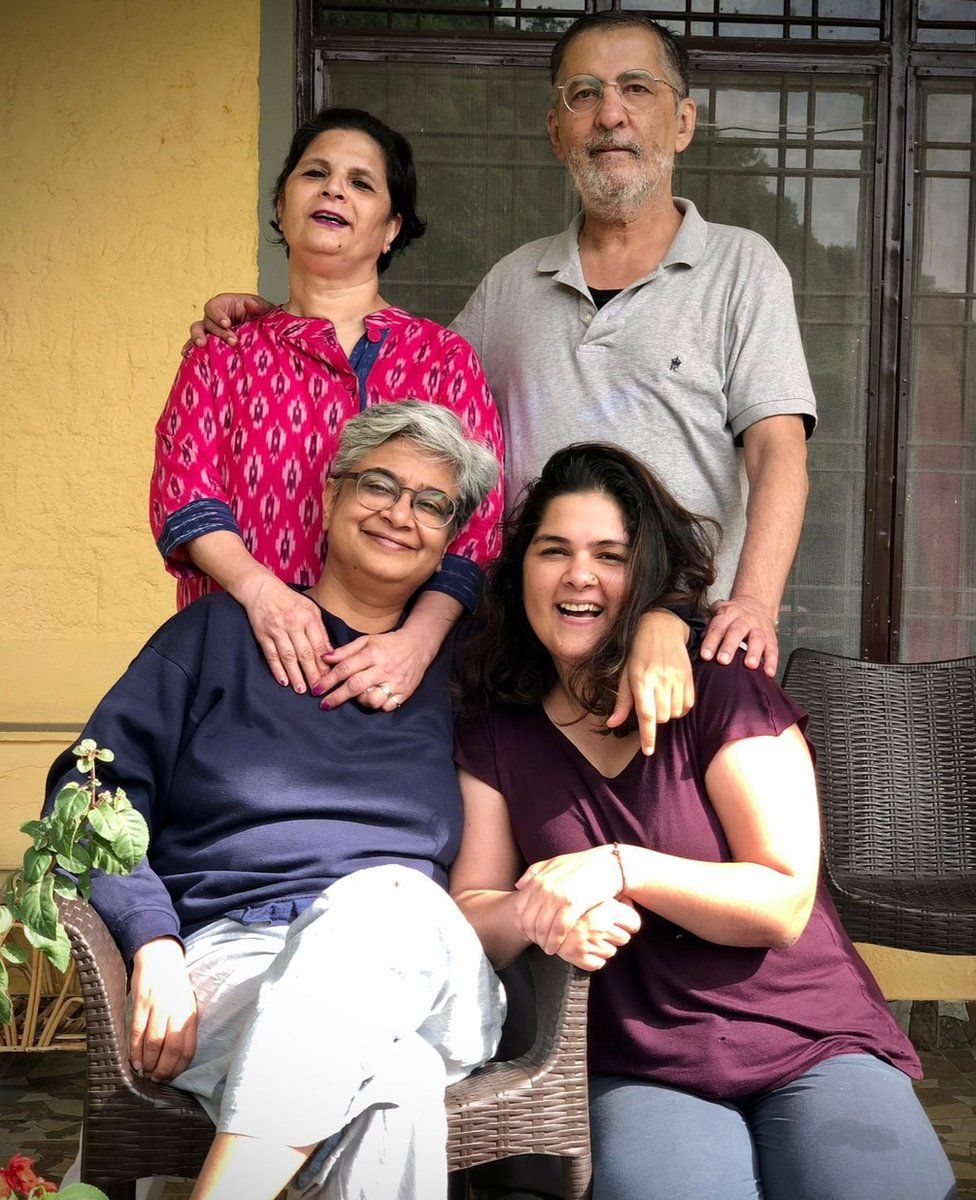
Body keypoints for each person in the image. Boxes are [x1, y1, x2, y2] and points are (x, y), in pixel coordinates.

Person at [188, 13, 816, 686]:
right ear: (555, 130)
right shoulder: (513, 283)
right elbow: (404, 392)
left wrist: (752, 603)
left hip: (680, 643)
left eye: (638, 88)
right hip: (528, 658)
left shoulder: (742, 268)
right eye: (583, 93)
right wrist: (274, 325)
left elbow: (779, 449)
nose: (610, 115)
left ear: (683, 121)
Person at [450, 443, 957, 1200]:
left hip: (808, 1037)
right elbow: (472, 908)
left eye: (610, 555)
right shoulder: (498, 729)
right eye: (553, 550)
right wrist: (535, 911)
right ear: (520, 570)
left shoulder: (723, 690)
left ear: (645, 576)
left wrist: (622, 865)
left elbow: (783, 903)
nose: (579, 575)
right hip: (641, 1062)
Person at [47, 402, 504, 1200]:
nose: (401, 513)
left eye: (431, 503)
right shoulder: (216, 636)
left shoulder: (472, 670)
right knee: (394, 1089)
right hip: (237, 961)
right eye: (379, 485)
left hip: (429, 968)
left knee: (386, 895)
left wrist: (661, 634)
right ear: (329, 496)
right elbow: (88, 793)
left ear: (449, 538)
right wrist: (152, 941)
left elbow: (594, 629)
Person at [153, 106, 505, 713]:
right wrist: (262, 594)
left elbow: (481, 525)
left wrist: (416, 645)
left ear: (391, 228)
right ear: (283, 205)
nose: (334, 188)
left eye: (361, 182)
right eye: (314, 173)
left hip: (400, 683)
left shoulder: (444, 360)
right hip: (241, 662)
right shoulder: (225, 353)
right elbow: (184, 494)